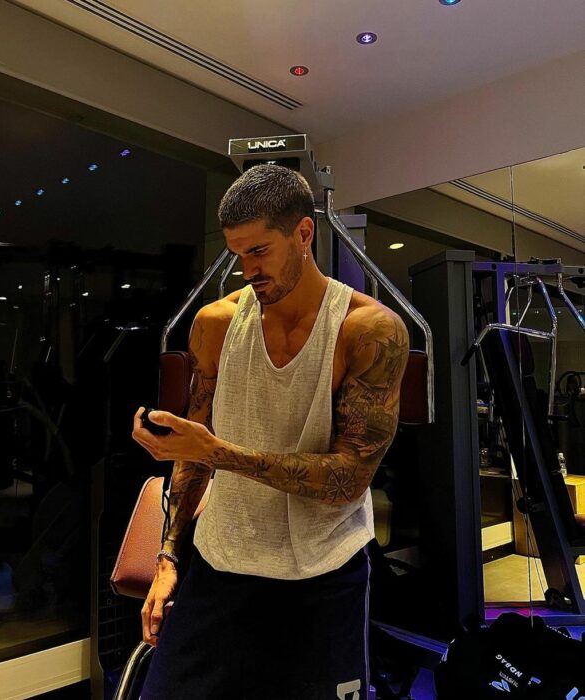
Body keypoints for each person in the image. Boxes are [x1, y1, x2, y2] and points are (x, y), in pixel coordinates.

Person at [132, 164, 409, 699]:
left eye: (259, 251)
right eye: (237, 254)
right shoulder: (214, 324)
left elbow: (349, 478)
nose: (246, 270)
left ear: (303, 233)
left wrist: (219, 452)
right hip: (221, 563)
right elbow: (195, 453)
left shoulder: (368, 331)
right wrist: (170, 556)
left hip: (324, 574)